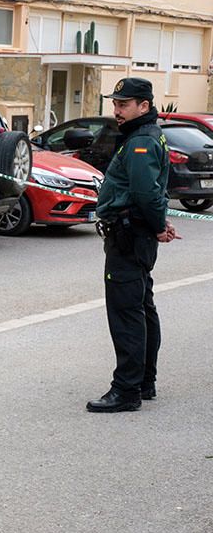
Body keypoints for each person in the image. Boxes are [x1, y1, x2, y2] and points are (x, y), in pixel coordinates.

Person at [88, 77, 180, 413]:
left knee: (127, 313)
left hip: (128, 237)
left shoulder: (141, 141)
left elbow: (144, 191)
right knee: (142, 307)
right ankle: (144, 381)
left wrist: (158, 226)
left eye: (123, 104)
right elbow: (151, 192)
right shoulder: (147, 135)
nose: (117, 110)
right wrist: (159, 223)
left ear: (144, 105)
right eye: (115, 103)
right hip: (136, 233)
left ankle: (126, 390)